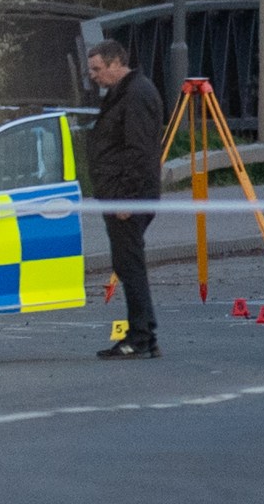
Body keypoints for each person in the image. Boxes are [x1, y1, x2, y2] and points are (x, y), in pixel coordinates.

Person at [87, 39, 164, 360]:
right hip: (118, 193)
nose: (93, 76)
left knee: (129, 264)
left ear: (117, 62)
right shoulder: (125, 93)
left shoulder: (136, 95)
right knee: (127, 262)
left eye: (97, 69)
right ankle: (144, 334)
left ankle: (141, 336)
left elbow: (140, 152)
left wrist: (126, 198)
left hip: (127, 197)